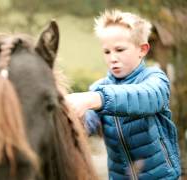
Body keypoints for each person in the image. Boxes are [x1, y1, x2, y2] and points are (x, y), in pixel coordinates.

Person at [66, 10, 181, 179]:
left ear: (142, 50)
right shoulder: (98, 88)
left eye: (119, 49)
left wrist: (96, 99)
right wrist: (73, 118)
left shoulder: (155, 78)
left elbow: (146, 98)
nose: (112, 58)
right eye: (107, 51)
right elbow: (86, 125)